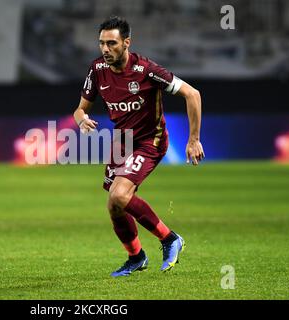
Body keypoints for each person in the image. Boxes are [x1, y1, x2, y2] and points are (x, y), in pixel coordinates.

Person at [73, 16, 204, 277]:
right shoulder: (97, 69)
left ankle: (170, 239)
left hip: (150, 141)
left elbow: (193, 94)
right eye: (101, 43)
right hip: (122, 143)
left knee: (120, 195)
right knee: (114, 206)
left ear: (126, 43)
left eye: (111, 43)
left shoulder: (146, 70)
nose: (105, 49)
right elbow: (79, 110)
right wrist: (82, 121)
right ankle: (136, 257)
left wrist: (193, 140)